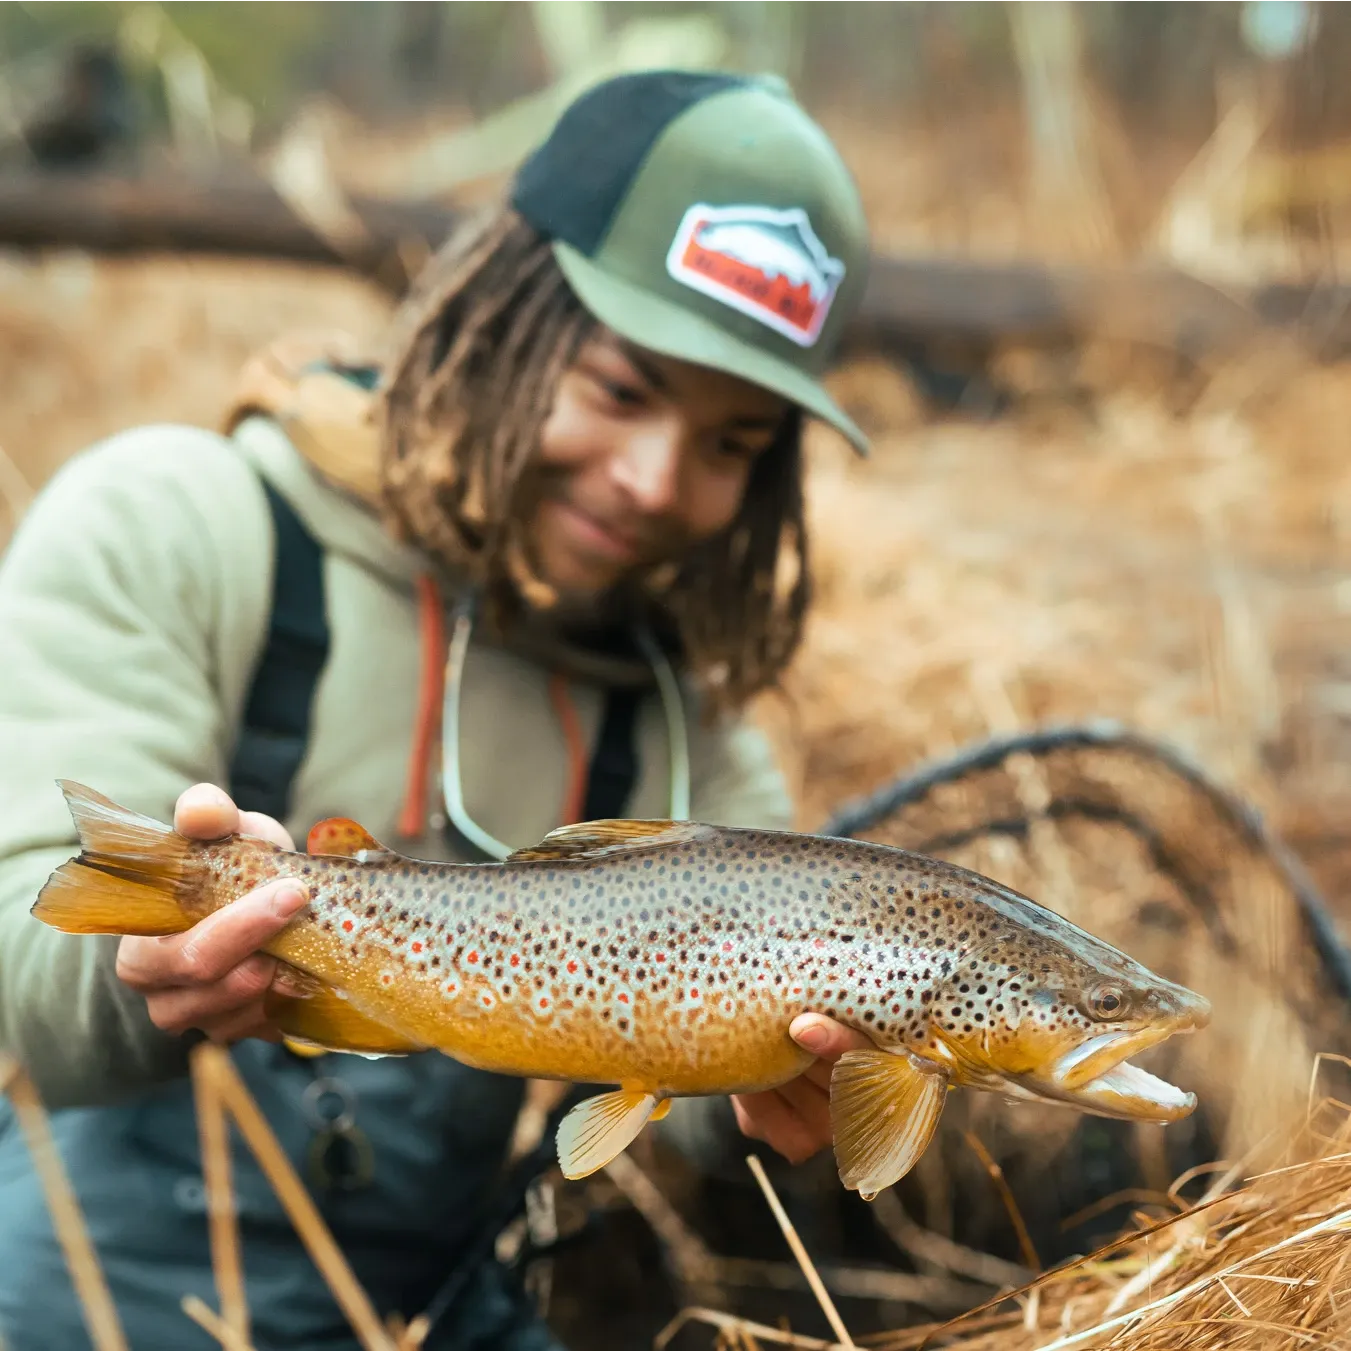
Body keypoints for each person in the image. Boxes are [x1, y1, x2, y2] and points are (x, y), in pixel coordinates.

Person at [0, 69, 876, 1351]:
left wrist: (800, 1087)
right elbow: (20, 938)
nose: (651, 479)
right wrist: (147, 971)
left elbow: (698, 1115)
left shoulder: (685, 724)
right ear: (493, 320)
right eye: (621, 390)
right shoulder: (179, 522)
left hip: (424, 1303)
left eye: (732, 444)